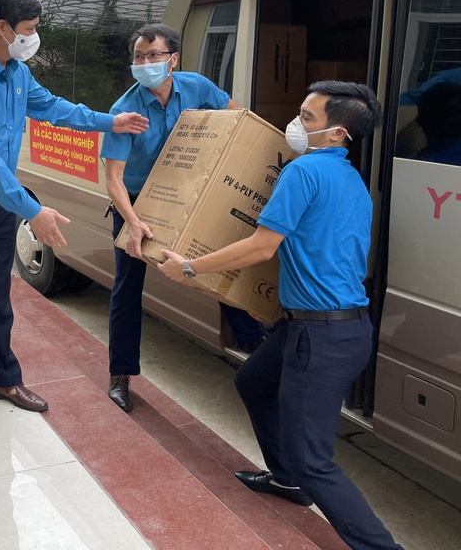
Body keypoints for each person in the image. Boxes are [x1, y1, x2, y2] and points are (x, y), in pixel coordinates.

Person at [158, 82, 404, 550]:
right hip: (325, 325)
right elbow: (321, 253)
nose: (295, 124)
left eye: (307, 118)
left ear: (337, 134)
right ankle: (287, 480)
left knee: (316, 461)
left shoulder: (304, 171)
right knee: (253, 382)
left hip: (323, 336)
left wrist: (188, 267)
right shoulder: (351, 180)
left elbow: (262, 246)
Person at [0, 0, 148, 441]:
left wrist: (109, 121)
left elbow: (55, 109)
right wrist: (33, 210)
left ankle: (2, 378)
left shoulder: (16, 73)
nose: (33, 36)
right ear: (2, 28)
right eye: (28, 28)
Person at [100, 23, 261, 412]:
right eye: (139, 57)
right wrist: (134, 222)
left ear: (173, 59)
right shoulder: (125, 110)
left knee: (217, 269)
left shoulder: (197, 87)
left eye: (153, 55)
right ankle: (120, 375)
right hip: (137, 203)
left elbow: (238, 118)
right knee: (126, 288)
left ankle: (260, 354)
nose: (145, 63)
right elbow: (114, 180)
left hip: (190, 193)